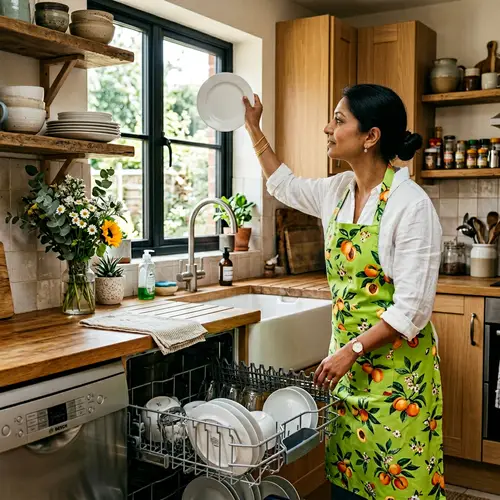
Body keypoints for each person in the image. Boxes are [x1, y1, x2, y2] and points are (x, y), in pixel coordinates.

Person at [243, 84, 444, 500]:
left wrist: (349, 350)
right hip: (349, 374)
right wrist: (253, 128)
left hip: (396, 377)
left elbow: (412, 310)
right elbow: (283, 185)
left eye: (338, 120)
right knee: (349, 484)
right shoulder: (337, 192)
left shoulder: (411, 205)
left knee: (399, 486)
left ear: (370, 137)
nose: (327, 128)